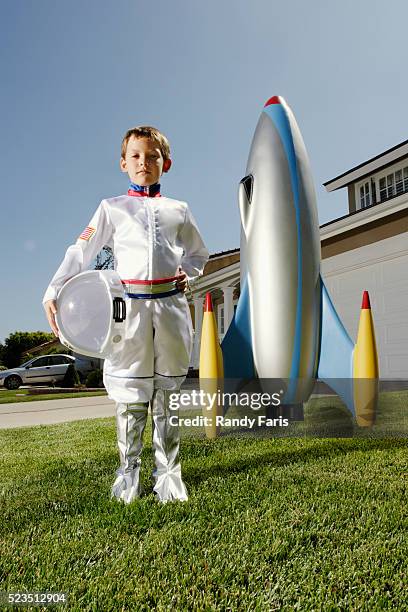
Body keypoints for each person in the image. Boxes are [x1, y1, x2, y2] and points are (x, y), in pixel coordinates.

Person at [43, 126, 209, 504]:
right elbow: (80, 250)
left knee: (166, 395)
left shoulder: (178, 210)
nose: (143, 162)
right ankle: (128, 477)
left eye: (152, 156)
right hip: (128, 311)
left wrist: (189, 272)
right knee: (132, 397)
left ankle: (168, 477)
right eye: (135, 156)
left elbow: (199, 253)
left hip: (170, 309)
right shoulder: (112, 208)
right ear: (123, 163)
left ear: (165, 163)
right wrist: (54, 289)